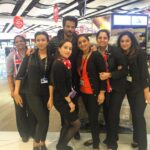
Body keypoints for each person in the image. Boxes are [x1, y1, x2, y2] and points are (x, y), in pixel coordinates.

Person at [14, 31, 54, 150]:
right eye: (38, 40)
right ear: (35, 42)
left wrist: (51, 98)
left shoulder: (52, 58)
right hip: (31, 93)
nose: (40, 42)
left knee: (45, 119)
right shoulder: (30, 55)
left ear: (47, 41)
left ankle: (42, 141)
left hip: (46, 93)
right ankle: (36, 142)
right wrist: (16, 92)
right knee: (42, 119)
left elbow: (52, 80)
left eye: (43, 40)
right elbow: (20, 75)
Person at [49, 16, 80, 139]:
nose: (70, 29)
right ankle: (66, 129)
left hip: (74, 80)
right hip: (61, 77)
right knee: (65, 111)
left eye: (73, 27)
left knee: (75, 106)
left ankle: (74, 130)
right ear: (63, 26)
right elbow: (45, 50)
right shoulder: (55, 41)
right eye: (68, 26)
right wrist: (33, 51)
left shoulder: (77, 39)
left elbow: (84, 48)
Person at [117, 31, 150, 150]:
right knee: (135, 116)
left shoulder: (139, 53)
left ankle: (143, 146)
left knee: (138, 116)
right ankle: (136, 139)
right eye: (122, 41)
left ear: (132, 41)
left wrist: (147, 93)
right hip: (130, 89)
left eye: (127, 41)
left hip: (140, 89)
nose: (124, 43)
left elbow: (145, 74)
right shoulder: (122, 54)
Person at [97, 30, 128, 150]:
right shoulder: (95, 52)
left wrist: (109, 75)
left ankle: (112, 144)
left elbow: (124, 70)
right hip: (104, 89)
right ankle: (112, 136)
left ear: (108, 39)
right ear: (97, 39)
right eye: (100, 37)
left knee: (113, 115)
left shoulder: (115, 51)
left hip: (117, 88)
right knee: (106, 113)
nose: (102, 40)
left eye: (105, 37)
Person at [77, 34, 106, 150]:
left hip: (94, 92)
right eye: (79, 43)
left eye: (84, 41)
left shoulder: (96, 55)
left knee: (93, 119)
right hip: (84, 93)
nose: (82, 44)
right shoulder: (79, 56)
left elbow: (103, 75)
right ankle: (96, 139)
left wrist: (102, 92)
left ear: (89, 42)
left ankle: (95, 146)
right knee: (90, 117)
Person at [51, 39, 81, 150]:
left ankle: (60, 145)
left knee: (67, 123)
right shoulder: (59, 64)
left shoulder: (65, 62)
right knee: (76, 124)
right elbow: (60, 86)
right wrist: (70, 102)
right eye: (65, 48)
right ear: (59, 49)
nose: (68, 50)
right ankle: (62, 145)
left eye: (70, 48)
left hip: (65, 97)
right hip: (61, 99)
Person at [6, 35, 34, 142]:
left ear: (25, 42)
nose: (19, 43)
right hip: (19, 89)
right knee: (20, 111)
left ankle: (32, 131)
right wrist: (13, 91)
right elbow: (9, 75)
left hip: (31, 87)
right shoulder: (11, 56)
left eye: (21, 41)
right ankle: (24, 133)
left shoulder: (32, 53)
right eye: (17, 42)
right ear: (14, 44)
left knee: (32, 111)